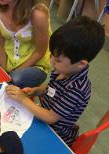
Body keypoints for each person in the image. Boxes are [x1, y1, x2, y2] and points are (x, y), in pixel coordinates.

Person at [6, 16, 105, 146]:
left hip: (55, 135)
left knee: (13, 142)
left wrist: (23, 100)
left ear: (81, 64)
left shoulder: (76, 89)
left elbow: (50, 118)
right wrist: (35, 90)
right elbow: (51, 88)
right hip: (43, 122)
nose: (51, 61)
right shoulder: (65, 70)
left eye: (57, 60)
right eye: (52, 55)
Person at [0, 0, 51, 88]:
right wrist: (3, 72)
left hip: (34, 65)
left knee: (15, 80)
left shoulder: (38, 14)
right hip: (7, 61)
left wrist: (10, 77)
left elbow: (40, 52)